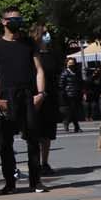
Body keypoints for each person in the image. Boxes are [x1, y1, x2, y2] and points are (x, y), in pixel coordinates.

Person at [0, 8, 48, 194]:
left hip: (28, 94)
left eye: (18, 19)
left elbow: (39, 70)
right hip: (6, 95)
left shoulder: (29, 43)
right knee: (5, 142)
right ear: (3, 22)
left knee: (32, 138)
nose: (16, 22)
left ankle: (35, 181)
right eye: (12, 19)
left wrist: (41, 93)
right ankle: (10, 183)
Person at [33, 23, 65, 174]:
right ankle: (34, 162)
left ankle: (44, 162)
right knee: (34, 131)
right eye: (44, 33)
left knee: (47, 132)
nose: (47, 35)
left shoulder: (53, 55)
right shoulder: (31, 54)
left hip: (50, 96)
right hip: (35, 96)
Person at [60, 58, 84, 134]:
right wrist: (63, 93)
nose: (71, 65)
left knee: (74, 110)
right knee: (72, 110)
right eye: (70, 63)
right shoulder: (64, 73)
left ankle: (69, 123)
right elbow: (61, 84)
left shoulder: (76, 72)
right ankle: (73, 125)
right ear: (66, 64)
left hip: (76, 94)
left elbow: (80, 82)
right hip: (68, 94)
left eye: (73, 63)